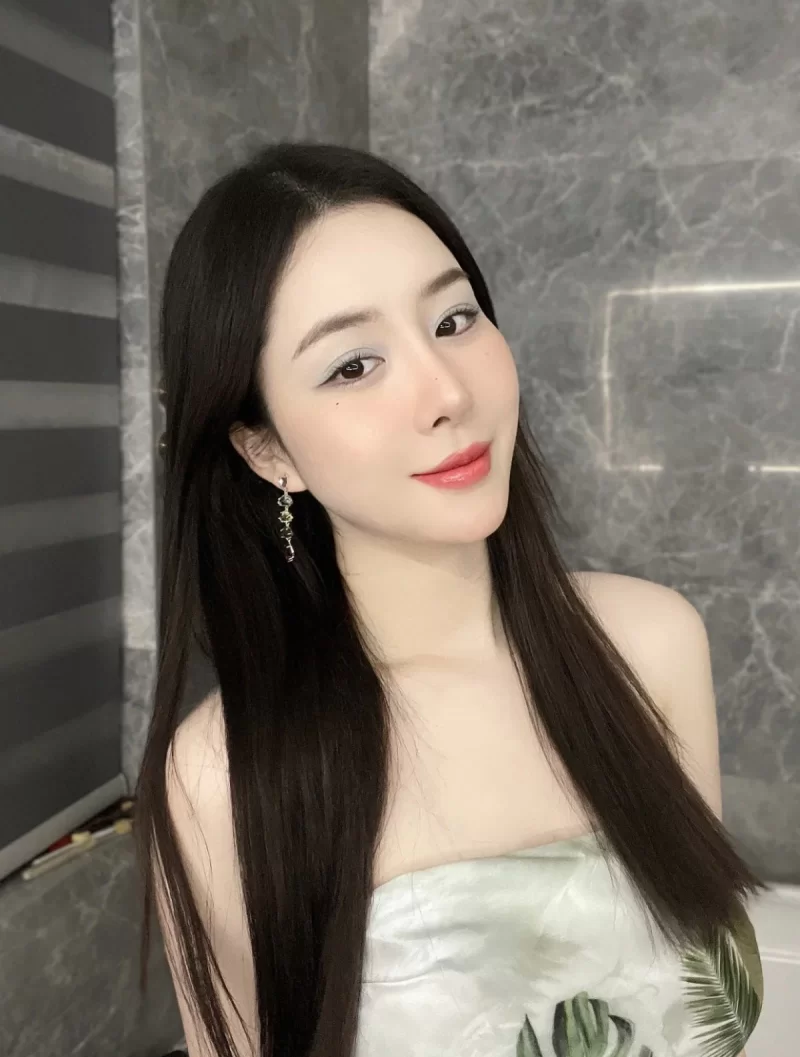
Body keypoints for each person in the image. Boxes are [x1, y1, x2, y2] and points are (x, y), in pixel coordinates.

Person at [134, 142, 767, 1057]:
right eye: (354, 366)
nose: (446, 391)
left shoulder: (651, 645)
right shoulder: (222, 776)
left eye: (454, 318)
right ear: (266, 449)